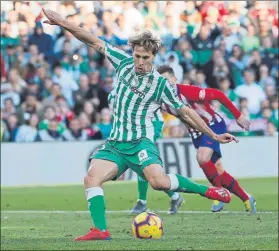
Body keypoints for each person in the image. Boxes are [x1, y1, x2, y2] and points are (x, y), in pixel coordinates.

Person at [43, 8, 238, 241]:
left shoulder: (160, 85)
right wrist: (64, 23)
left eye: (146, 58)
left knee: (159, 182)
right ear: (133, 53)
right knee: (91, 178)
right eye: (137, 56)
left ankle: (208, 191)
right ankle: (101, 230)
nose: (140, 62)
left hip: (140, 143)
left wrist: (213, 136)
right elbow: (92, 40)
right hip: (115, 144)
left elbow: (185, 112)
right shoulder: (123, 63)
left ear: (153, 58)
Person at [154, 65, 256, 213]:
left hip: (213, 125)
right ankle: (246, 197)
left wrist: (237, 115)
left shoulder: (188, 92)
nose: (165, 84)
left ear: (175, 79)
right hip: (196, 133)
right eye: (161, 81)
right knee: (219, 171)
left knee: (202, 157)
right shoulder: (160, 100)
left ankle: (218, 193)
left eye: (167, 80)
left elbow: (218, 94)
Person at [108, 89, 184, 215]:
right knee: (141, 163)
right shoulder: (113, 95)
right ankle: (174, 196)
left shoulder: (138, 86)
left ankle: (142, 202)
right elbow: (116, 116)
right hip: (133, 128)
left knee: (143, 160)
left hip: (152, 124)